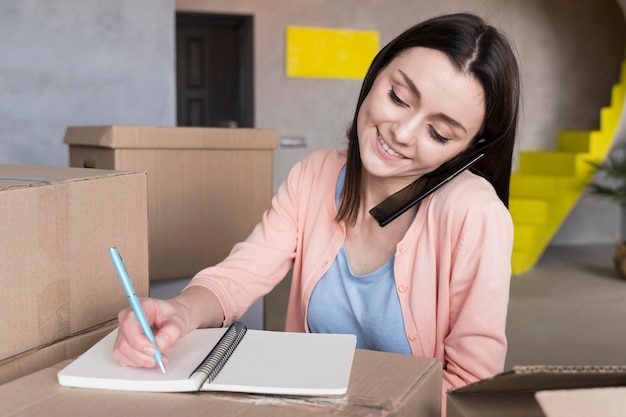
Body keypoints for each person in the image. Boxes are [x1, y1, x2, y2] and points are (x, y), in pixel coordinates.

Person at [114, 11, 520, 407]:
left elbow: (470, 389)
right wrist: (181, 311)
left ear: (471, 149)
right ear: (376, 74)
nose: (402, 133)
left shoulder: (475, 214)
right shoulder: (315, 174)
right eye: (398, 97)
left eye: (439, 133)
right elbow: (240, 275)